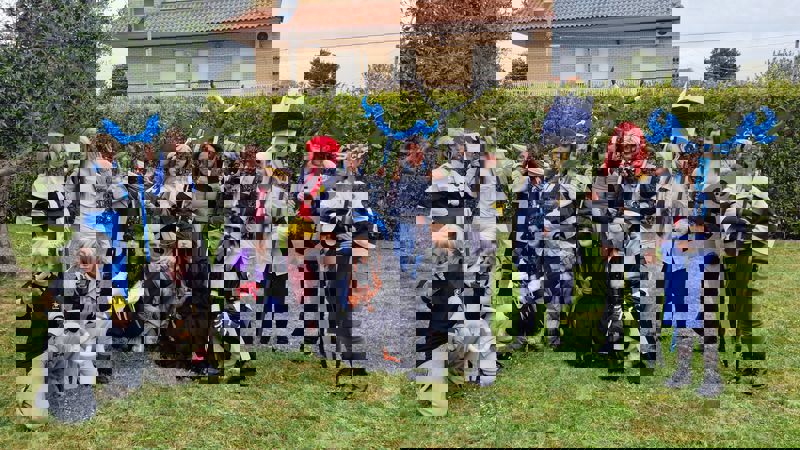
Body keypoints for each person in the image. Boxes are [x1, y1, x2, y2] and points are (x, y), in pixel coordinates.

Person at [591, 122, 659, 370]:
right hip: (615, 238)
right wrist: (607, 242)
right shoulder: (608, 171)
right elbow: (598, 207)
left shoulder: (649, 170)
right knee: (614, 293)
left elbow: (656, 207)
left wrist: (650, 246)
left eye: (632, 145)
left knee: (643, 292)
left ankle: (648, 350)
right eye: (623, 145)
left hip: (641, 237)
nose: (627, 149)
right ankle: (612, 344)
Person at [662, 218, 724, 397]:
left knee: (705, 332)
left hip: (702, 297)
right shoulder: (684, 243)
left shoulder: (710, 248)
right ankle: (683, 374)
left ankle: (712, 381)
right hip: (685, 295)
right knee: (684, 332)